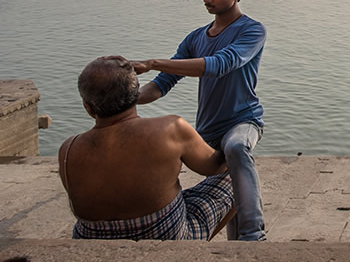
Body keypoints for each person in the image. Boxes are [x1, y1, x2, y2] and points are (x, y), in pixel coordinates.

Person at [131, 0, 267, 241]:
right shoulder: (195, 38)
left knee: (238, 147)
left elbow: (220, 64)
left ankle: (255, 236)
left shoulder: (252, 31)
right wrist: (122, 97)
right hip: (207, 131)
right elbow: (160, 86)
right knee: (229, 196)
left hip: (243, 120)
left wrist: (154, 62)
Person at [58, 56, 233, 240]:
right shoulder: (171, 129)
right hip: (163, 236)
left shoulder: (68, 150)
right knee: (239, 173)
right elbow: (216, 167)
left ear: (89, 108)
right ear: (136, 96)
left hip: (93, 240)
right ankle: (196, 247)